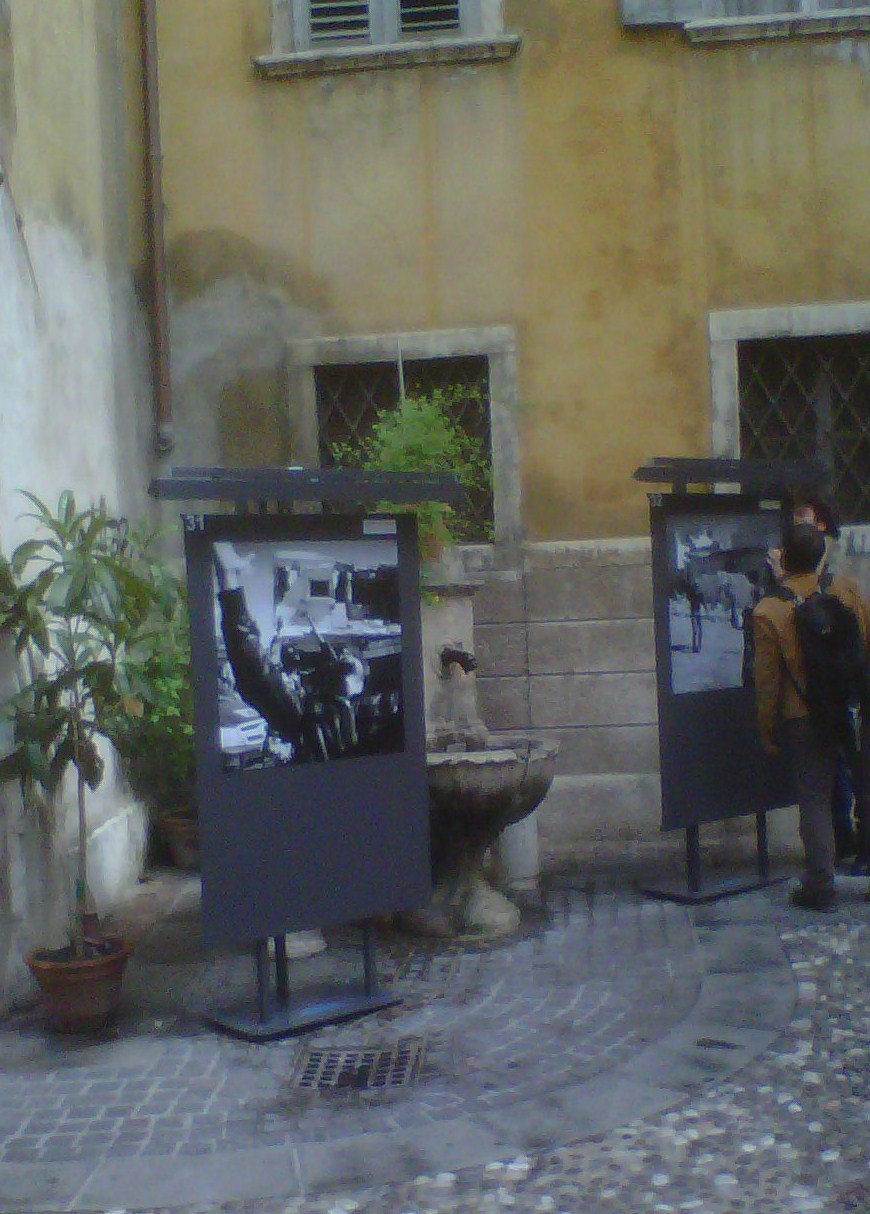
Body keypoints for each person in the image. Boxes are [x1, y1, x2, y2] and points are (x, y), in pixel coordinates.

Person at [752, 524, 870, 910]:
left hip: (803, 715)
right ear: (822, 557)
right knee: (866, 790)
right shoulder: (846, 592)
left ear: (783, 557)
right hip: (852, 709)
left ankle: (821, 884)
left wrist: (767, 730)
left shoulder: (769, 611)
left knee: (815, 799)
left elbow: (767, 681)